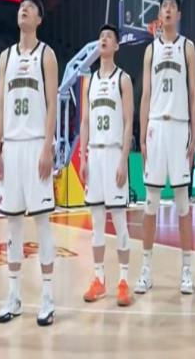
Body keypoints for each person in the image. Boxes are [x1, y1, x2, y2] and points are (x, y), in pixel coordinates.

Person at [0, 0, 58, 326]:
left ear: (39, 19)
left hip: (35, 146)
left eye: (30, 8)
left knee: (42, 221)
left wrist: (48, 147)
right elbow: (0, 106)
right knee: (13, 223)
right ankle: (14, 295)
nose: (23, 10)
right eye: (21, 7)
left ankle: (47, 295)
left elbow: (52, 104)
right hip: (12, 146)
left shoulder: (47, 55)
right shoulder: (5, 57)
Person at [135, 0, 195, 294]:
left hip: (179, 127)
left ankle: (186, 270)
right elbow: (146, 95)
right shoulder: (151, 50)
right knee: (151, 203)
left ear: (179, 14)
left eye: (173, 6)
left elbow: (194, 93)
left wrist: (194, 135)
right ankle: (146, 270)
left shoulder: (188, 47)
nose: (168, 10)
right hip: (156, 127)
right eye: (164, 7)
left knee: (183, 203)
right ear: (159, 15)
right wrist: (142, 135)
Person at [79, 24, 134, 306]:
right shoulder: (89, 81)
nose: (103, 39)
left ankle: (124, 281)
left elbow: (128, 122)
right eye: (101, 36)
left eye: (109, 37)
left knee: (120, 221)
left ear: (116, 46)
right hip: (95, 155)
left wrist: (123, 160)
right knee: (97, 223)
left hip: (113, 154)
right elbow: (85, 122)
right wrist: (83, 157)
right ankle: (99, 279)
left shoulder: (123, 79)